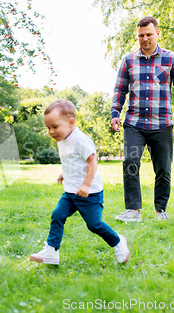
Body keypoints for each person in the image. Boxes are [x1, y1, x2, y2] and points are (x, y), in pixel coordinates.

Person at [30, 99, 129, 265]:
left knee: (94, 225)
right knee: (58, 214)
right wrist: (64, 174)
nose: (51, 131)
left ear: (71, 123)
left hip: (89, 193)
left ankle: (118, 242)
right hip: (70, 192)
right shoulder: (62, 139)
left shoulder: (80, 139)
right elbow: (74, 161)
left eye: (54, 126)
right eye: (48, 128)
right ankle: (52, 251)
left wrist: (86, 184)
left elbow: (92, 161)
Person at [111, 16, 174, 222]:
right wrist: (114, 114)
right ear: (137, 36)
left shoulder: (172, 58)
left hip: (162, 123)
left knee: (163, 168)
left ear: (157, 34)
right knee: (130, 162)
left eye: (148, 34)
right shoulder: (128, 60)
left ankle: (160, 210)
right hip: (134, 123)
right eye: (141, 35)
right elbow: (119, 90)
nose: (145, 38)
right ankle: (133, 211)